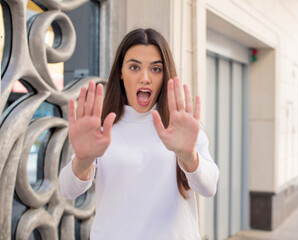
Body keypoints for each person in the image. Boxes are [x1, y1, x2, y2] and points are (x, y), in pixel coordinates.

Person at [59, 28, 219, 240]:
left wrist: (188, 156)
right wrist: (83, 159)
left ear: (165, 76)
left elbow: (209, 187)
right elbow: (67, 190)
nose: (145, 78)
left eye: (156, 69)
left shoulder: (182, 127)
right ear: (121, 73)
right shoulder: (103, 130)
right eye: (134, 67)